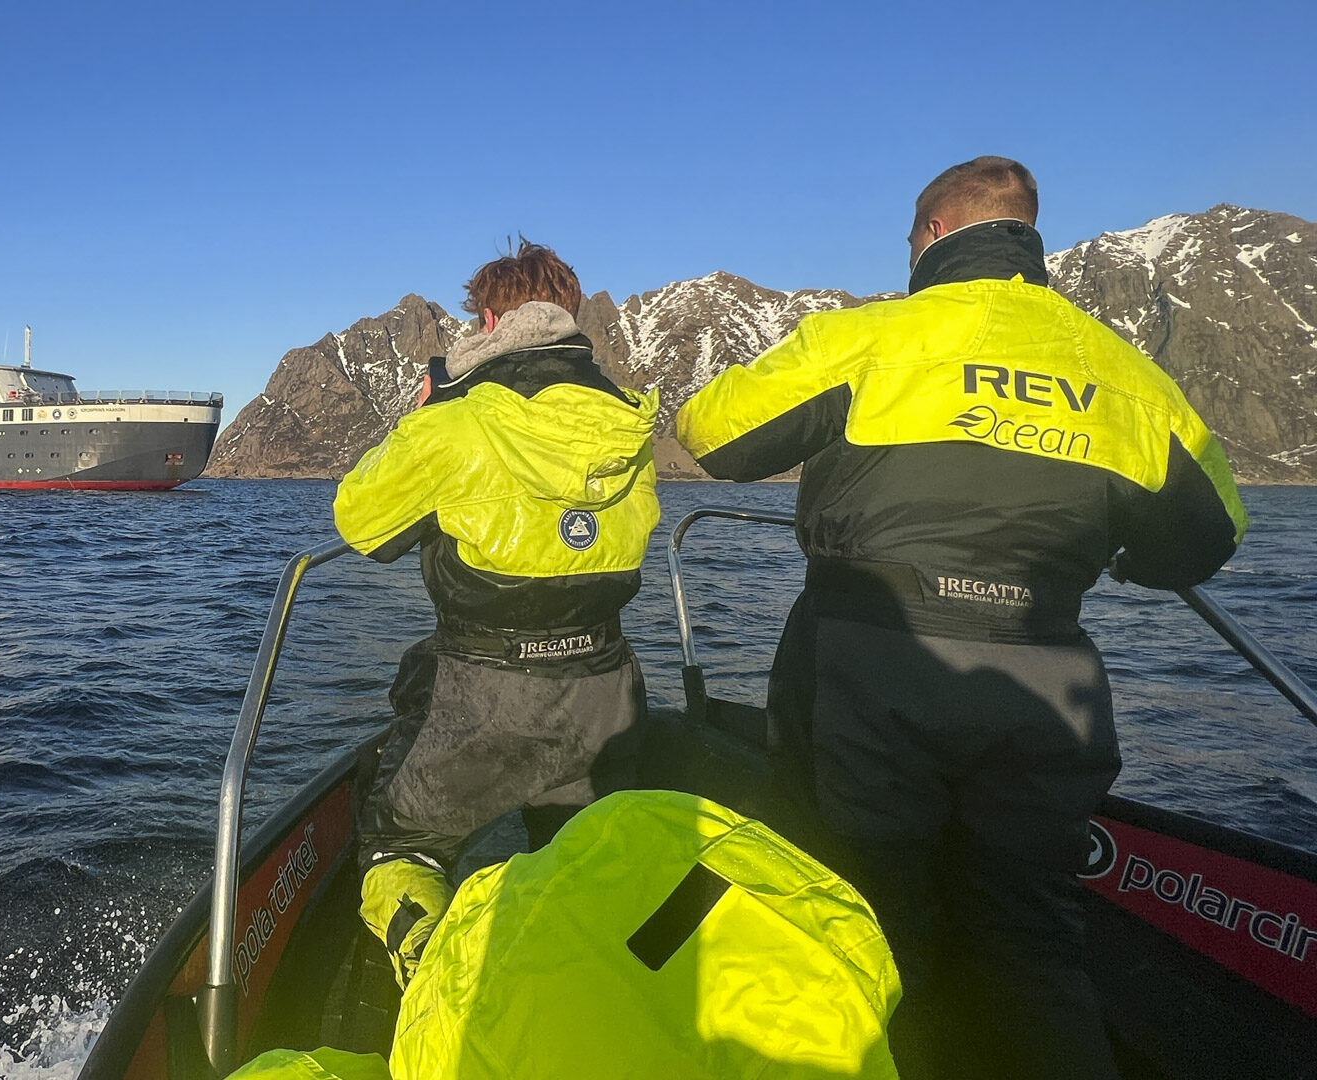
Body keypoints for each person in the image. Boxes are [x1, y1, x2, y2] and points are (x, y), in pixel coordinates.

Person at [674, 157, 1246, 1079]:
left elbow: (716, 435)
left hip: (871, 659)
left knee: (854, 906)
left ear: (934, 234)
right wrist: (1121, 558)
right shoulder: (1124, 371)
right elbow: (1210, 533)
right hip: (1047, 675)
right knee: (1031, 937)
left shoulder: (870, 338)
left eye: (910, 238)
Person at [332, 240, 662, 988]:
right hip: (607, 690)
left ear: (486, 319)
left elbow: (359, 522)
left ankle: (438, 1003)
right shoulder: (629, 428)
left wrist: (425, 419)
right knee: (589, 853)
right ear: (566, 317)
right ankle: (597, 995)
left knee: (402, 848)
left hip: (483, 692)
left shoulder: (459, 420)